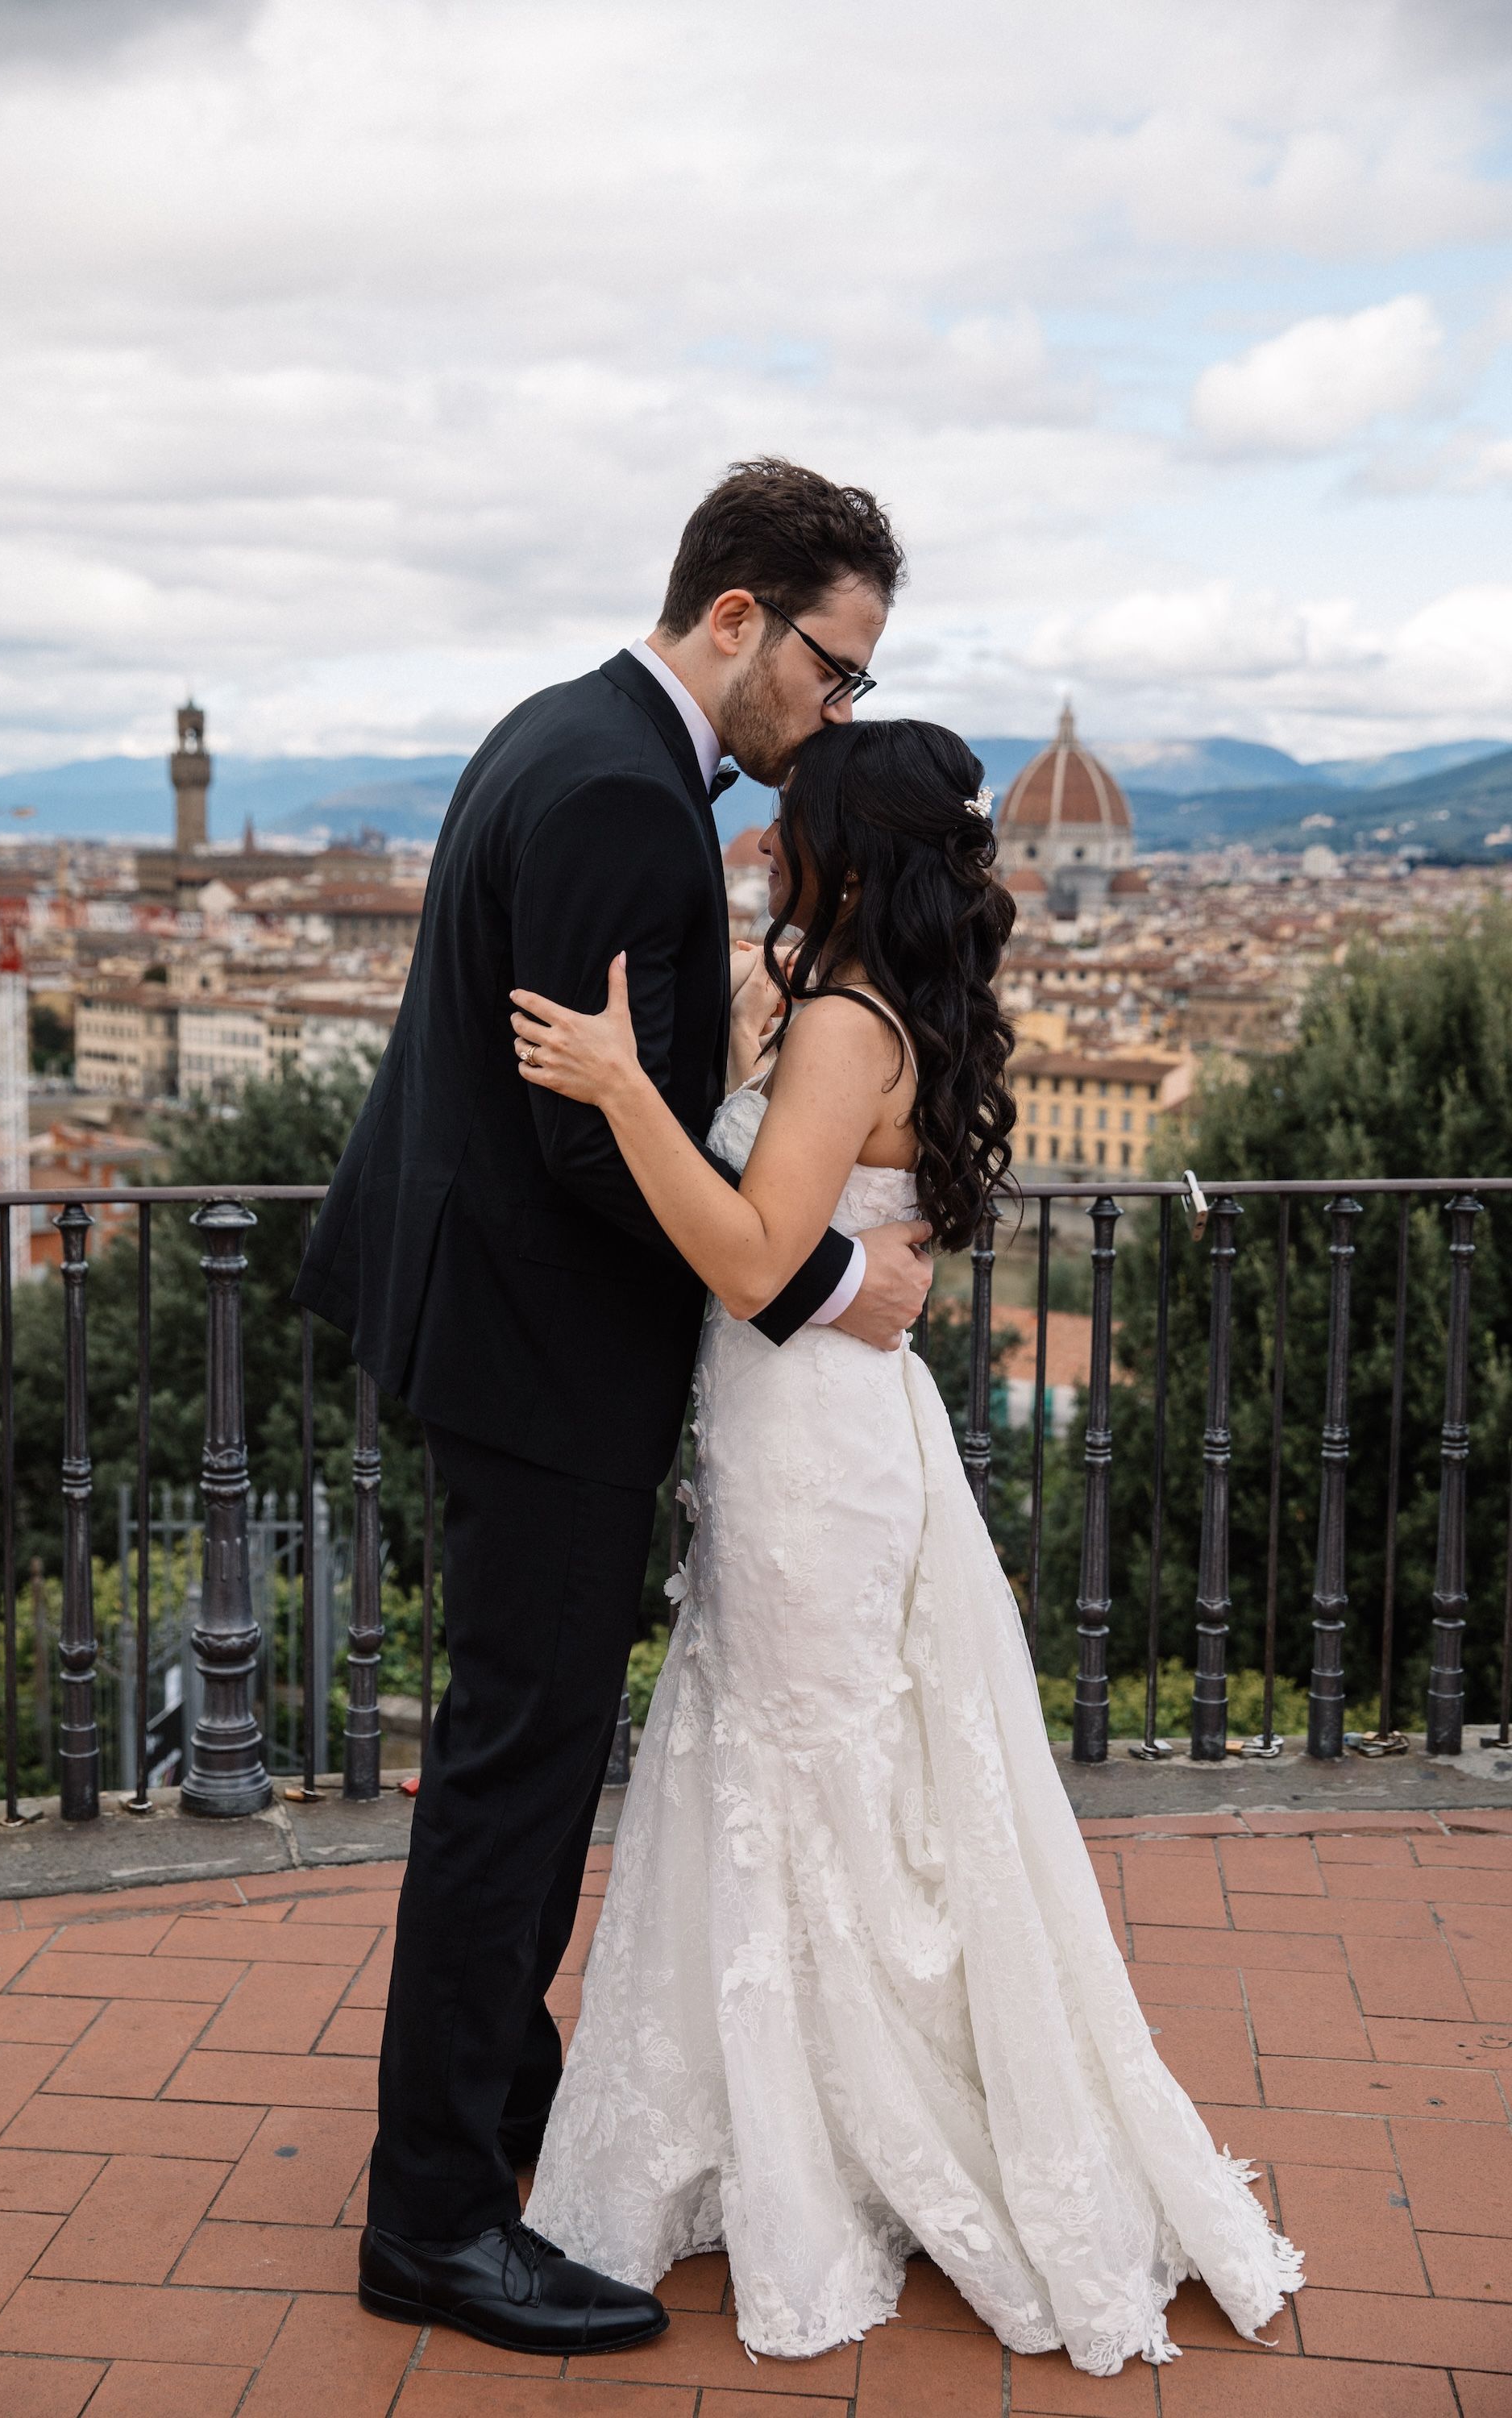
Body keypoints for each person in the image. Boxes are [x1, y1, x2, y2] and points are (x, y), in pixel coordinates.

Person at [511, 717, 1303, 2374]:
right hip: (830, 1435)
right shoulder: (871, 1010)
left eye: (787, 825)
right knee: (818, 1771)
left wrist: (620, 1089)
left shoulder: (843, 1030)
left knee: (799, 1771)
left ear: (842, 855)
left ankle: (842, 2135)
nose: (763, 843)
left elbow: (745, 1256)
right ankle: (806, 2109)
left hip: (806, 1446)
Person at [293, 459, 936, 2356]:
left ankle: (501, 2108)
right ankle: (433, 2224)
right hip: (542, 1355)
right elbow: (599, 1145)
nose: (834, 715)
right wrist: (822, 1281)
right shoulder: (617, 795)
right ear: (736, 618)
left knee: (515, 1753)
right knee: (516, 1782)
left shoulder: (561, 736)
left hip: (490, 1330)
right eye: (832, 668)